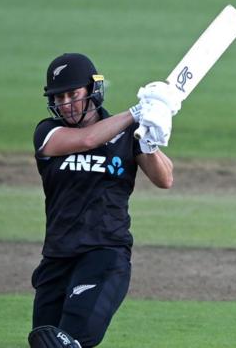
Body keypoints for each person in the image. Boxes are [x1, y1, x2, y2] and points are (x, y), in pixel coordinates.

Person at [28, 53, 181, 348]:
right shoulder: (47, 133)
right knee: (44, 340)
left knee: (69, 341)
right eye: (59, 97)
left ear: (92, 90)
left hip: (105, 253)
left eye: (73, 94)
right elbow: (88, 140)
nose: (66, 104)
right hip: (58, 256)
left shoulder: (128, 134)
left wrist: (148, 142)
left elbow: (165, 179)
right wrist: (137, 111)